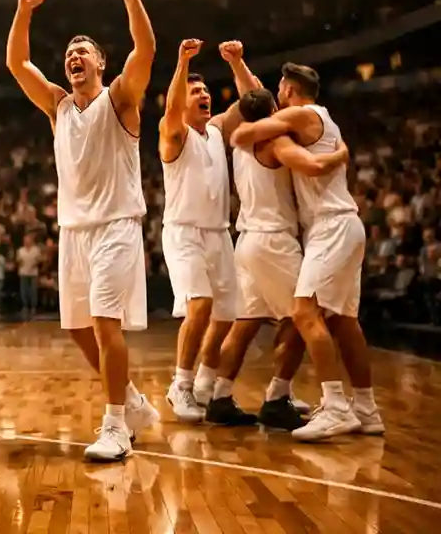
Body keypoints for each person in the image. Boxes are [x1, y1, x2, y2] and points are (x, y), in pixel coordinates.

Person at [5, 0, 161, 462]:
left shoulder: (120, 98)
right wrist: (23, 12)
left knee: (103, 324)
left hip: (116, 225)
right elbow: (18, 63)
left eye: (83, 52)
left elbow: (146, 52)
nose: (74, 57)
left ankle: (116, 426)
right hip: (73, 230)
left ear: (100, 62)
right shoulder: (58, 106)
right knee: (76, 327)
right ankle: (132, 400)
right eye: (69, 53)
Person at [231, 62, 385, 441]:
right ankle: (366, 410)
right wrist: (238, 65)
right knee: (344, 323)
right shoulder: (314, 117)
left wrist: (338, 157)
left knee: (303, 311)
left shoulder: (302, 115)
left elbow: (244, 133)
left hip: (331, 226)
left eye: (279, 87)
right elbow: (257, 101)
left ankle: (335, 406)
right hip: (343, 225)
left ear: (288, 89)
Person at [206, 87, 346, 429]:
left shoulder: (240, 146)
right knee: (305, 316)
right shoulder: (275, 141)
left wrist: (238, 64)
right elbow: (311, 165)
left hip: (248, 241)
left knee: (246, 323)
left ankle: (220, 397)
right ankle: (278, 396)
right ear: (272, 112)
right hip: (274, 242)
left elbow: (250, 96)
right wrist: (340, 154)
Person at [157, 39, 255, 422]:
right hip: (183, 233)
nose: (203, 95)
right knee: (199, 306)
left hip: (218, 233)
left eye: (206, 91)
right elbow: (169, 107)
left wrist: (237, 62)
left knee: (226, 315)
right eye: (195, 91)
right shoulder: (173, 133)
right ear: (183, 100)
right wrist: (182, 62)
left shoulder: (215, 130)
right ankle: (179, 386)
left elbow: (253, 100)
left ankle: (203, 384)